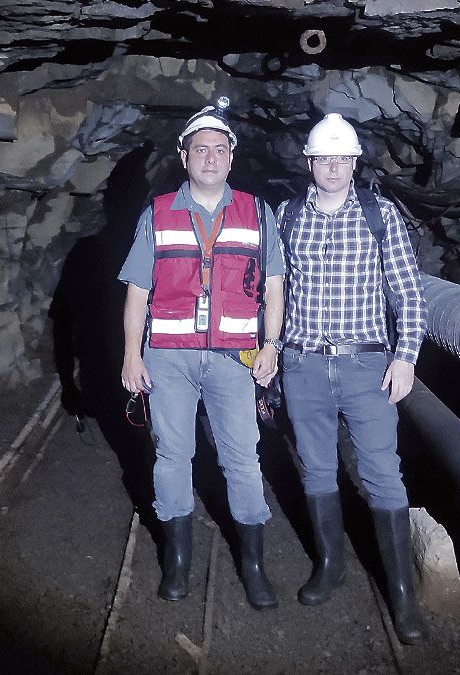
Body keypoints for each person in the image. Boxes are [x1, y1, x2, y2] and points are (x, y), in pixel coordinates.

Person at [118, 99, 285, 610]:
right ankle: (178, 560)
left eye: (219, 149)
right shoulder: (158, 213)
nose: (210, 157)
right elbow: (138, 291)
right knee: (173, 456)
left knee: (242, 458)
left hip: (234, 357)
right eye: (200, 149)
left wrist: (272, 344)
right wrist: (130, 354)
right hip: (169, 356)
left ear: (231, 157)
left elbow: (275, 286)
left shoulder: (257, 212)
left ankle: (253, 564)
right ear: (184, 156)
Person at [276, 113, 428, 642]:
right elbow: (274, 290)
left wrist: (405, 356)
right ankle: (331, 566)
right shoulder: (288, 215)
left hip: (367, 364)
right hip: (303, 364)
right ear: (310, 162)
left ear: (355, 163)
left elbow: (407, 292)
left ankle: (402, 595)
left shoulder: (380, 214)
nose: (334, 167)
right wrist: (269, 352)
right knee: (317, 470)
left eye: (343, 158)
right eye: (325, 158)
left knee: (383, 473)